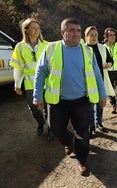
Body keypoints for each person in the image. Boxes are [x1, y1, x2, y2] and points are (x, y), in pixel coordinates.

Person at [33, 18, 106, 175]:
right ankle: (68, 141)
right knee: (55, 127)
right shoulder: (50, 49)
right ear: (62, 32)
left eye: (79, 30)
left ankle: (82, 160)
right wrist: (37, 95)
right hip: (57, 100)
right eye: (71, 30)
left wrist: (103, 93)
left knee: (83, 132)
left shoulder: (88, 51)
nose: (76, 34)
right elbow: (40, 73)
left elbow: (97, 74)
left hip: (81, 100)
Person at [9, 18, 53, 141]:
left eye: (38, 28)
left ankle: (51, 128)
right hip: (30, 84)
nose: (36, 30)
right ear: (26, 30)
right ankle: (41, 123)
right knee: (34, 108)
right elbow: (18, 67)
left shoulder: (47, 45)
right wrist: (17, 84)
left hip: (47, 83)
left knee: (48, 107)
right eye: (33, 28)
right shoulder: (20, 47)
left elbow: (54, 66)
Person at [84, 26, 115, 135]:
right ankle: (91, 125)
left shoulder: (102, 48)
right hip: (87, 82)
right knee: (90, 105)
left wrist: (108, 64)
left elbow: (111, 61)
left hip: (101, 80)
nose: (94, 37)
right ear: (86, 37)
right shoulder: (82, 49)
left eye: (95, 35)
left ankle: (99, 123)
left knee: (100, 103)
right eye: (91, 35)